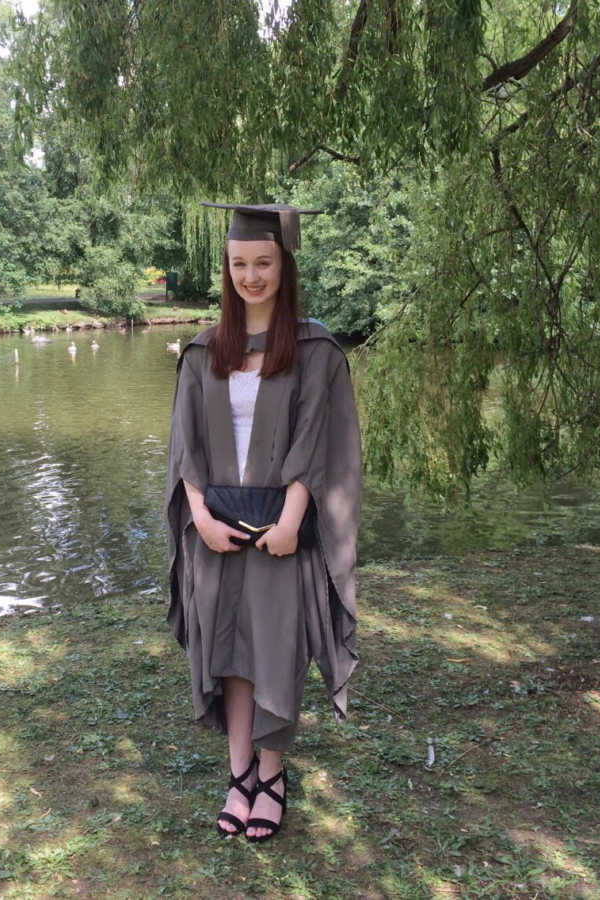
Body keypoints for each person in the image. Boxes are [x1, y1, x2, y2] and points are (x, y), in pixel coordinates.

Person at [165, 202, 362, 842]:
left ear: (284, 265)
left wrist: (291, 518)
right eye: (240, 264)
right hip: (217, 531)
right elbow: (183, 446)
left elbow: (320, 443)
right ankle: (238, 774)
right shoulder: (204, 351)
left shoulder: (313, 349)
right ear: (226, 267)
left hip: (283, 531)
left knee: (275, 651)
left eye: (264, 263)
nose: (251, 276)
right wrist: (197, 516)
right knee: (229, 655)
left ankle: (272, 776)